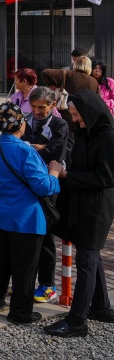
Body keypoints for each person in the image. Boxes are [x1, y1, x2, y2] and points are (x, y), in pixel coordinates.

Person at [0, 101, 62, 325]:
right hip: (24, 217)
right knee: (24, 267)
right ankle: (20, 311)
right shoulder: (26, 152)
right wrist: (54, 173)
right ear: (21, 125)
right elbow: (43, 187)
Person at [45, 91, 114, 338]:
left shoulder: (108, 137)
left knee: (86, 260)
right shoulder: (88, 132)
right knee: (91, 256)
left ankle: (77, 320)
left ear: (90, 112)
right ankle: (101, 307)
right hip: (83, 204)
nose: (74, 119)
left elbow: (105, 178)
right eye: (73, 114)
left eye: (77, 115)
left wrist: (65, 175)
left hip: (96, 208)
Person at [21, 87, 69, 303]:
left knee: (46, 235)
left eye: (42, 107)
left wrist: (32, 148)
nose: (37, 111)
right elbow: (18, 149)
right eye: (34, 106)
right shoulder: (25, 121)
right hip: (27, 184)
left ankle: (47, 284)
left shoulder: (60, 125)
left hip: (49, 185)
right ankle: (26, 281)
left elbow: (55, 153)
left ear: (52, 105)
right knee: (26, 236)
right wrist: (38, 147)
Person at [41, 60, 100, 133]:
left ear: (75, 65)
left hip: (65, 116)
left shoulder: (68, 74)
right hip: (84, 120)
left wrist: (52, 84)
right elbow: (97, 101)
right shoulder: (93, 81)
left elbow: (45, 72)